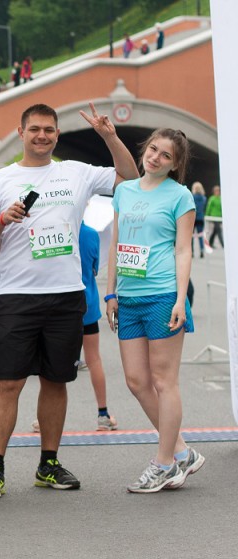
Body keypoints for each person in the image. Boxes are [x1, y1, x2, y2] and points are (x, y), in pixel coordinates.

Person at [0, 103, 139, 499]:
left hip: (66, 295)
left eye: (48, 130)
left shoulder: (75, 172)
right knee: (8, 383)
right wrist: (1, 221)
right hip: (16, 296)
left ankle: (49, 463)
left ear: (57, 135)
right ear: (21, 132)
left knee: (56, 380)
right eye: (34, 129)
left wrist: (109, 136)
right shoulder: (0, 180)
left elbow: (130, 177)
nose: (42, 136)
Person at [106, 128, 205, 492]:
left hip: (163, 295)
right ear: (144, 150)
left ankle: (164, 463)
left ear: (175, 164)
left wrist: (181, 300)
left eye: (166, 155)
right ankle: (181, 452)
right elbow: (117, 243)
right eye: (153, 149)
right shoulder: (124, 191)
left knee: (164, 382)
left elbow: (183, 250)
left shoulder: (181, 197)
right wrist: (110, 293)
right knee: (136, 381)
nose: (155, 157)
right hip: (128, 299)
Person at [32, 220, 118, 433]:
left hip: (57, 301)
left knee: (50, 360)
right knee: (94, 358)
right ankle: (103, 414)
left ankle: (43, 418)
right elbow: (95, 268)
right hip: (86, 302)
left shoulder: (48, 227)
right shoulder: (91, 234)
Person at [191, 181, 207, 258]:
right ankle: (201, 250)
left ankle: (192, 252)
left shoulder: (191, 197)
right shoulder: (204, 198)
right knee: (200, 235)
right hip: (200, 218)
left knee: (191, 236)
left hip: (193, 218)